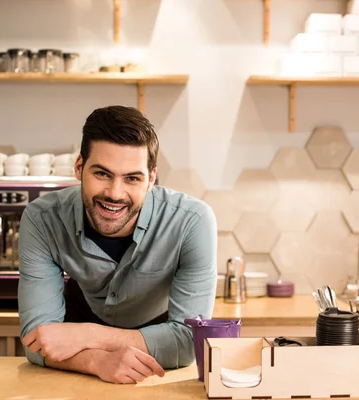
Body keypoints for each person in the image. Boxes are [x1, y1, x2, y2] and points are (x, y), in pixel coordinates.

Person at [18, 105, 218, 384]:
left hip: (156, 374)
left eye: (132, 178)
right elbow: (37, 341)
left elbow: (188, 342)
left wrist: (87, 337)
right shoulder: (41, 219)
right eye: (102, 174)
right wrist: (96, 360)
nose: (114, 193)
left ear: (151, 179)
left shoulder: (192, 222)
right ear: (79, 168)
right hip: (79, 372)